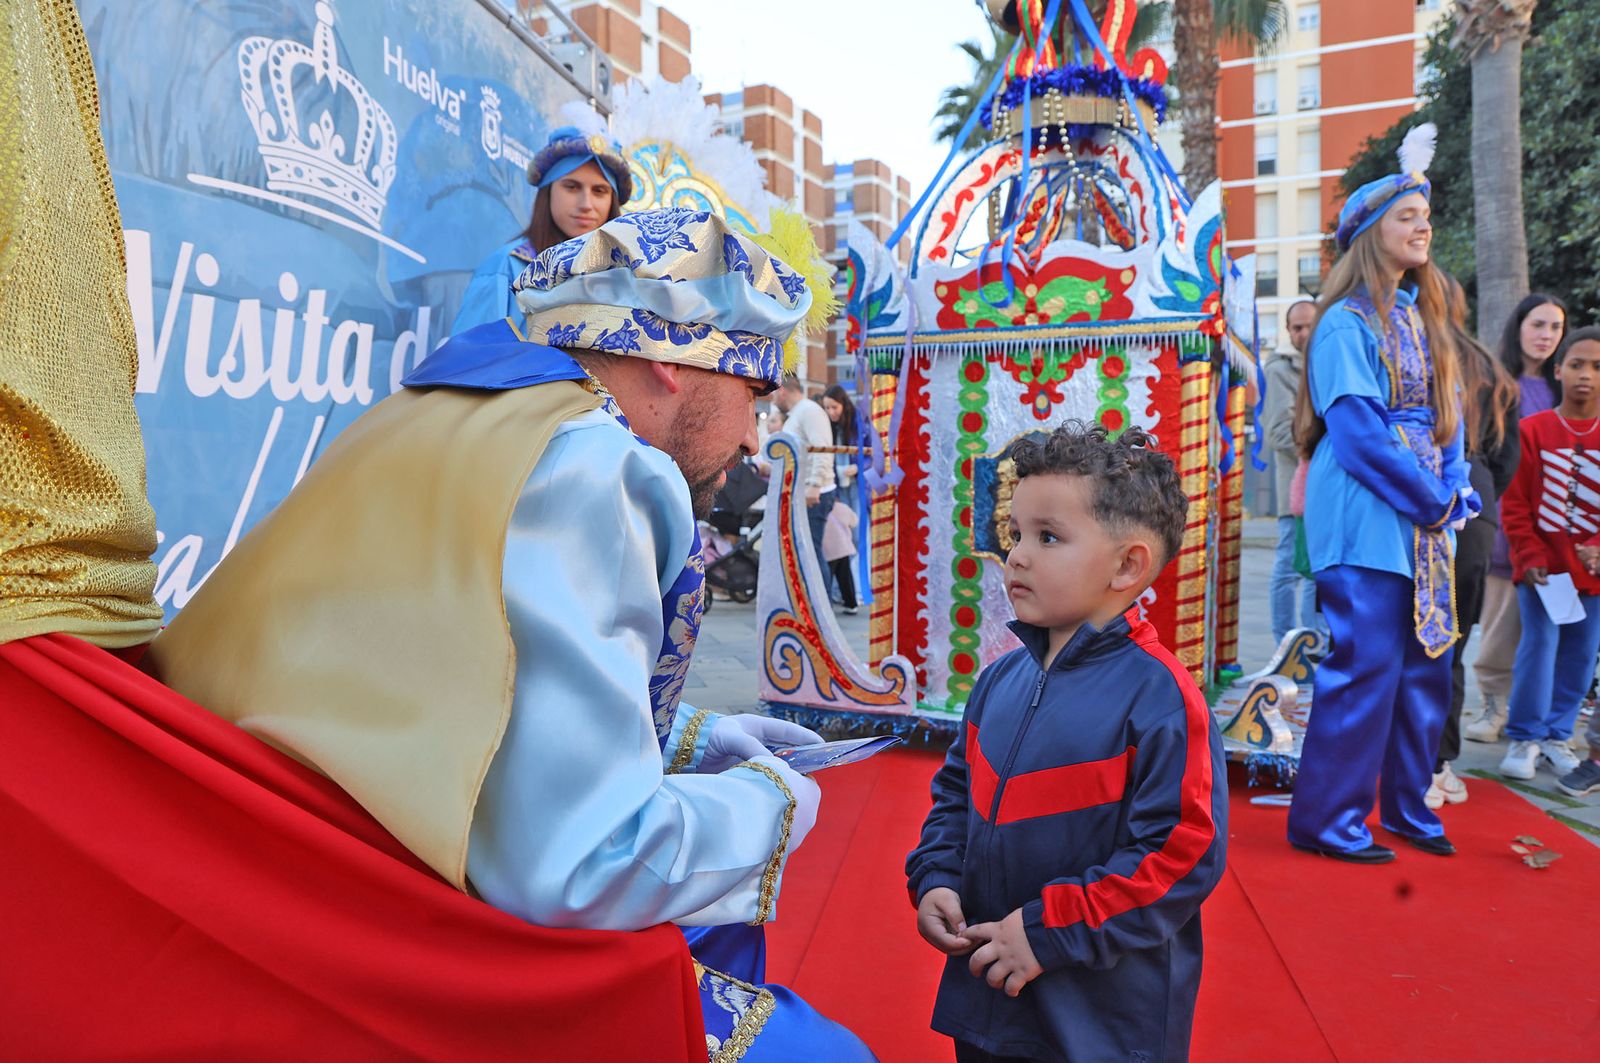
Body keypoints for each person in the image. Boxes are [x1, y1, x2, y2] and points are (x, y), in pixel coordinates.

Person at [145, 209, 871, 1058]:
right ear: (674, 363)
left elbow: (444, 674)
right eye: (752, 392)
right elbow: (580, 862)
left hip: (261, 878)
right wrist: (778, 803)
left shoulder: (443, 407)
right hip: (377, 938)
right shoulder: (598, 463)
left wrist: (690, 737)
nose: (754, 435)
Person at [905, 423, 1227, 1063]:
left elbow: (1180, 853)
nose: (1016, 555)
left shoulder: (1161, 697)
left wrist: (1049, 931)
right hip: (989, 995)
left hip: (1100, 1018)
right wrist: (936, 876)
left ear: (1128, 564)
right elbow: (955, 794)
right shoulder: (998, 679)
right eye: (1016, 534)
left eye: (1048, 537)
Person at [1285, 124, 1478, 863]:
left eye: (1426, 216)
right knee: (1366, 664)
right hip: (1368, 514)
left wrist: (1454, 486)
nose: (1423, 226)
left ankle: (1406, 808)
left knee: (1428, 666)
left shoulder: (1419, 320)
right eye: (1407, 215)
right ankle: (1327, 819)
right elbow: (1361, 434)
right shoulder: (1342, 322)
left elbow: (1449, 421)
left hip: (1426, 515)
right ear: (1369, 232)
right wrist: (1433, 497)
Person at [1426, 275, 1520, 809]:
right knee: (1449, 645)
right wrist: (1477, 497)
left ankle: (1405, 761)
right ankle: (1437, 765)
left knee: (1407, 642)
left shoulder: (1405, 351)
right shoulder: (1486, 364)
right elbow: (1506, 456)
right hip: (1471, 504)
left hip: (1415, 505)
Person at [1496, 327, 1600, 782]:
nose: (1586, 375)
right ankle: (1524, 735)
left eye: (1597, 367)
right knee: (1538, 649)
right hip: (1542, 571)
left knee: (1581, 653)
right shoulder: (1531, 431)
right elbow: (1514, 502)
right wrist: (1529, 552)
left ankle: (1558, 734)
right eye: (1576, 364)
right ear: (1557, 371)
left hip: (1594, 574)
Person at [1465, 293, 1569, 742]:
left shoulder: (1568, 386)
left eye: (1555, 328)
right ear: (1518, 326)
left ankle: (1545, 714)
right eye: (1538, 325)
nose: (1546, 336)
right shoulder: (1495, 383)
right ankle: (1493, 706)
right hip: (1509, 524)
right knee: (1501, 625)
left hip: (1562, 531)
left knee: (1557, 629)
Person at [451, 126, 631, 333]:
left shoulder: (627, 278)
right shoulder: (506, 269)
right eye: (571, 187)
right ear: (547, 192)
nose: (586, 204)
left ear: (613, 201)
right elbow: (471, 359)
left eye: (600, 191)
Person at [1262, 297, 1322, 644]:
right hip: (1294, 490)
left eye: (1309, 325)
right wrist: (1325, 445)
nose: (1303, 333)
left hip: (1323, 489)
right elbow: (1278, 432)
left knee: (1316, 570)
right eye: (1297, 327)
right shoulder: (1280, 369)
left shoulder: (1327, 363)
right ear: (1288, 330)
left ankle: (1312, 644)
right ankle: (1285, 644)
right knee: (1288, 566)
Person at [771, 376, 838, 598]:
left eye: (773, 392)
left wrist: (815, 485)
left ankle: (821, 602)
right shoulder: (799, 414)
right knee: (805, 551)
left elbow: (823, 449)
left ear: (782, 391)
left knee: (811, 551)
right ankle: (813, 602)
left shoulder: (809, 411)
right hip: (802, 492)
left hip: (814, 493)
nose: (771, 397)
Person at [821, 498, 860, 615]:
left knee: (827, 578)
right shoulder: (843, 507)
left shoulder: (819, 510)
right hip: (844, 548)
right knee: (846, 578)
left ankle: (826, 606)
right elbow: (854, 522)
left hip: (828, 550)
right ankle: (851, 604)